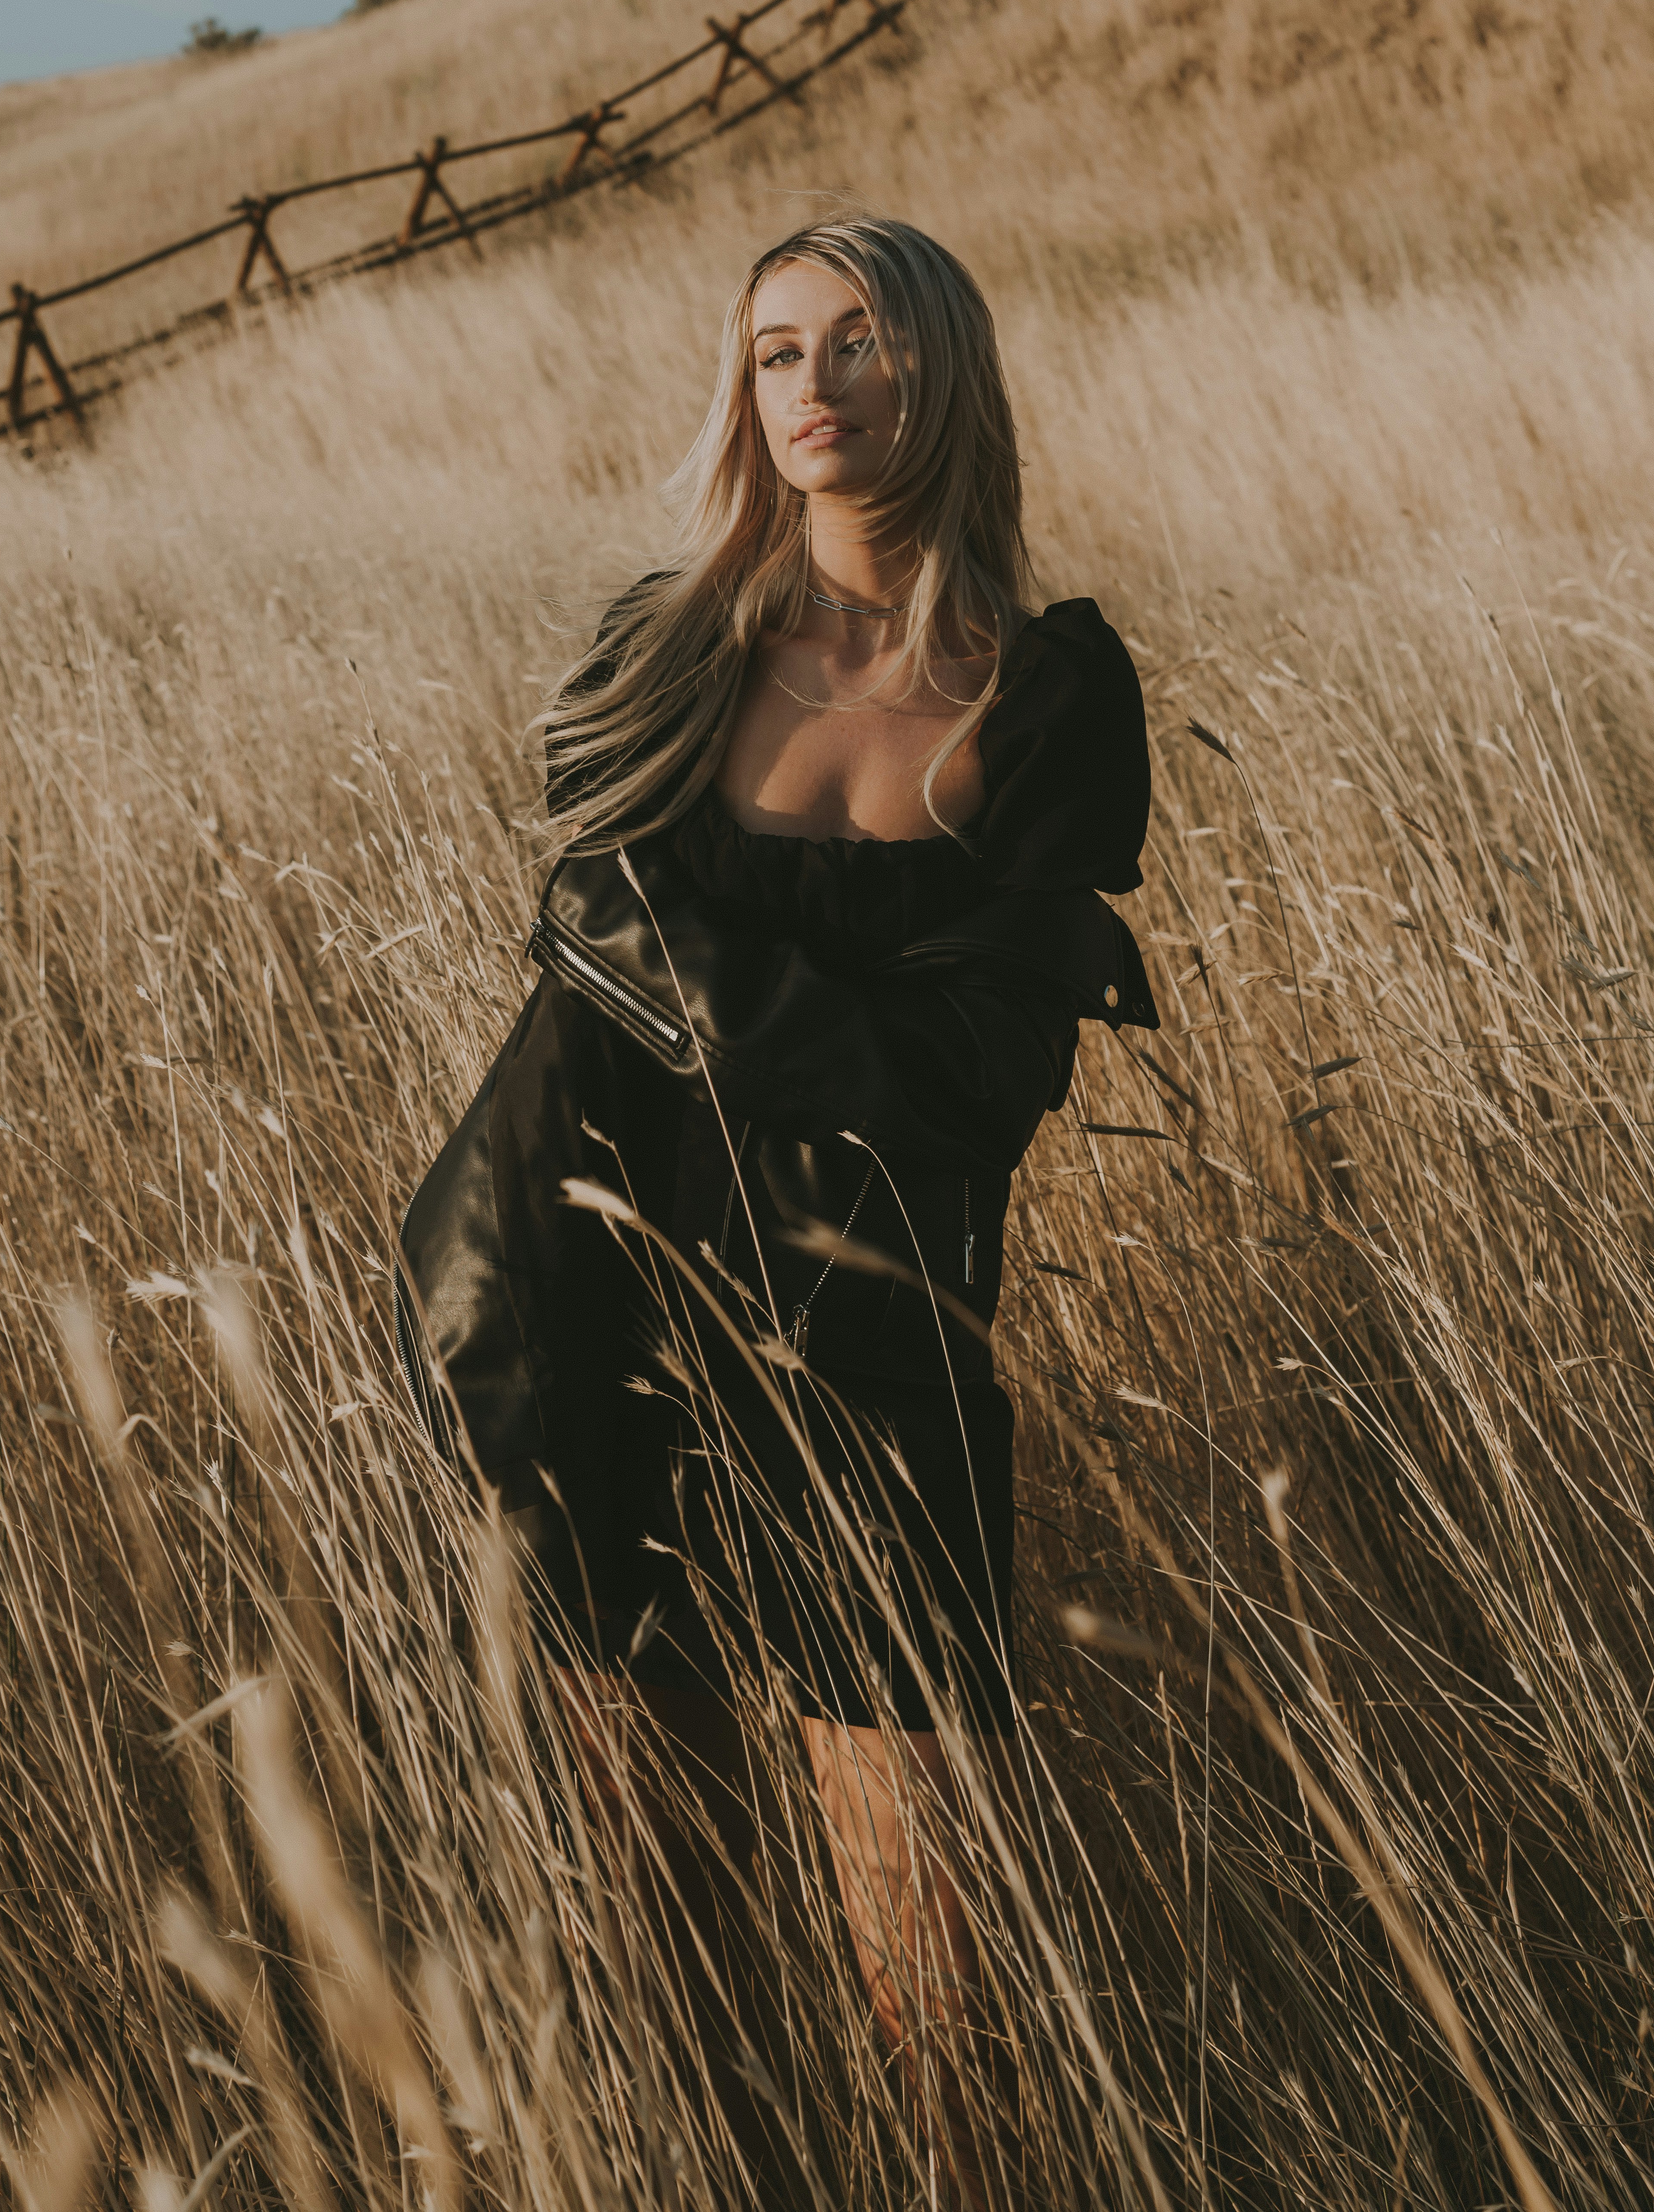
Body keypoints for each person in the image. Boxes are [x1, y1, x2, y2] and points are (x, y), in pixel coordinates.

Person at [397, 213, 1154, 2203]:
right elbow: (586, 1008)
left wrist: (707, 990)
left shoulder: (1044, 690)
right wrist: (826, 1029)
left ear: (944, 375)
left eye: (859, 344)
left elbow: (969, 1093)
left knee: (955, 2046)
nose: (811, 388)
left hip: (880, 1367)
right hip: (608, 1349)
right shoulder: (662, 656)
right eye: (771, 353)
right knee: (676, 2006)